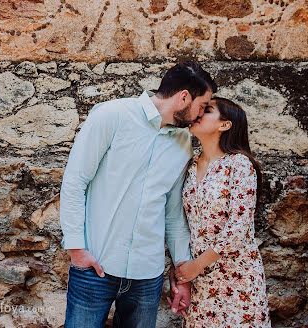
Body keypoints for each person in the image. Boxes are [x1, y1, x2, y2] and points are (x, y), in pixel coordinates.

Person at [59, 61, 217, 328]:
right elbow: (75, 181)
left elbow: (173, 211)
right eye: (202, 106)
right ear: (184, 97)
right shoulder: (112, 115)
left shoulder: (183, 142)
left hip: (148, 275)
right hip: (95, 267)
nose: (200, 115)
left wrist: (182, 272)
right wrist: (77, 249)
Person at [176, 97, 271, 327]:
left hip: (237, 277)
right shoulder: (189, 166)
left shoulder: (239, 165)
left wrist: (196, 265)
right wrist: (184, 271)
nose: (197, 114)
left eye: (207, 110)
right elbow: (183, 221)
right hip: (202, 282)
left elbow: (237, 229)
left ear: (225, 125)